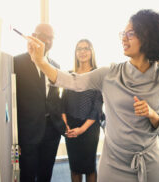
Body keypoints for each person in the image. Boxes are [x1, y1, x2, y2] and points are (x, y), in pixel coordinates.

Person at [27, 9, 159, 182]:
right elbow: (72, 81)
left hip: (150, 163)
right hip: (114, 163)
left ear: (147, 36)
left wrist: (152, 114)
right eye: (123, 33)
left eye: (130, 34)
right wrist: (40, 62)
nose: (124, 38)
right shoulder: (108, 74)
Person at [14, 23, 65, 182]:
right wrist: (16, 137)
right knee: (27, 175)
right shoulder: (17, 62)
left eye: (51, 38)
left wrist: (61, 124)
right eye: (43, 35)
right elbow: (13, 100)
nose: (47, 40)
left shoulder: (55, 66)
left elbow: (54, 98)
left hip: (51, 131)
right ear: (33, 36)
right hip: (28, 132)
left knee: (46, 174)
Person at [61, 39, 103, 182]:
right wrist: (65, 125)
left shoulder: (97, 75)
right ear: (75, 53)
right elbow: (63, 102)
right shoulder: (69, 74)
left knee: (90, 167)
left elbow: (97, 106)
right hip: (70, 126)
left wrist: (82, 129)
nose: (83, 52)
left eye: (86, 48)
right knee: (74, 167)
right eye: (79, 49)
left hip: (89, 127)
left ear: (92, 51)